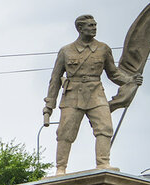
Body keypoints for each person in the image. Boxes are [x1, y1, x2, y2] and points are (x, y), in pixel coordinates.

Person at [43, 14, 142, 175]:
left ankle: (103, 163)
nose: (94, 28)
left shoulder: (103, 49)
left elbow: (114, 74)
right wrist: (49, 105)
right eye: (90, 25)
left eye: (95, 25)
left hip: (96, 93)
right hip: (72, 95)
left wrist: (131, 80)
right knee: (65, 132)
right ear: (80, 28)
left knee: (105, 127)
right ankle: (61, 168)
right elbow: (54, 80)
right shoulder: (65, 51)